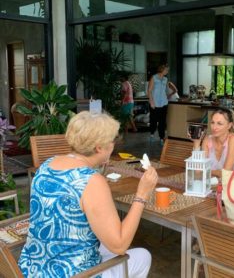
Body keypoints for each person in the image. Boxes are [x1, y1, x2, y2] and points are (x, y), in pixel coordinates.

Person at [18, 111, 159, 277]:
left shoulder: (48, 164)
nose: (115, 144)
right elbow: (120, 245)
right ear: (99, 147)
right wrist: (142, 194)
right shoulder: (92, 181)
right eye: (113, 140)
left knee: (106, 243)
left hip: (34, 268)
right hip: (74, 273)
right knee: (142, 256)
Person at [191, 108, 234, 178]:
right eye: (212, 122)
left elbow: (226, 173)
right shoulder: (207, 140)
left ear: (229, 125)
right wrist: (197, 143)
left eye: (219, 124)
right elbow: (197, 171)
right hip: (215, 184)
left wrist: (207, 171)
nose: (214, 127)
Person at [148, 64, 170, 145]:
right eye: (166, 70)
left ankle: (161, 137)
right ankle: (152, 134)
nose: (167, 71)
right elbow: (149, 91)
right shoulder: (154, 78)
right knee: (153, 120)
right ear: (162, 69)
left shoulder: (165, 79)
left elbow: (166, 90)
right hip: (155, 103)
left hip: (164, 103)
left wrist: (168, 97)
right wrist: (151, 102)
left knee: (162, 122)